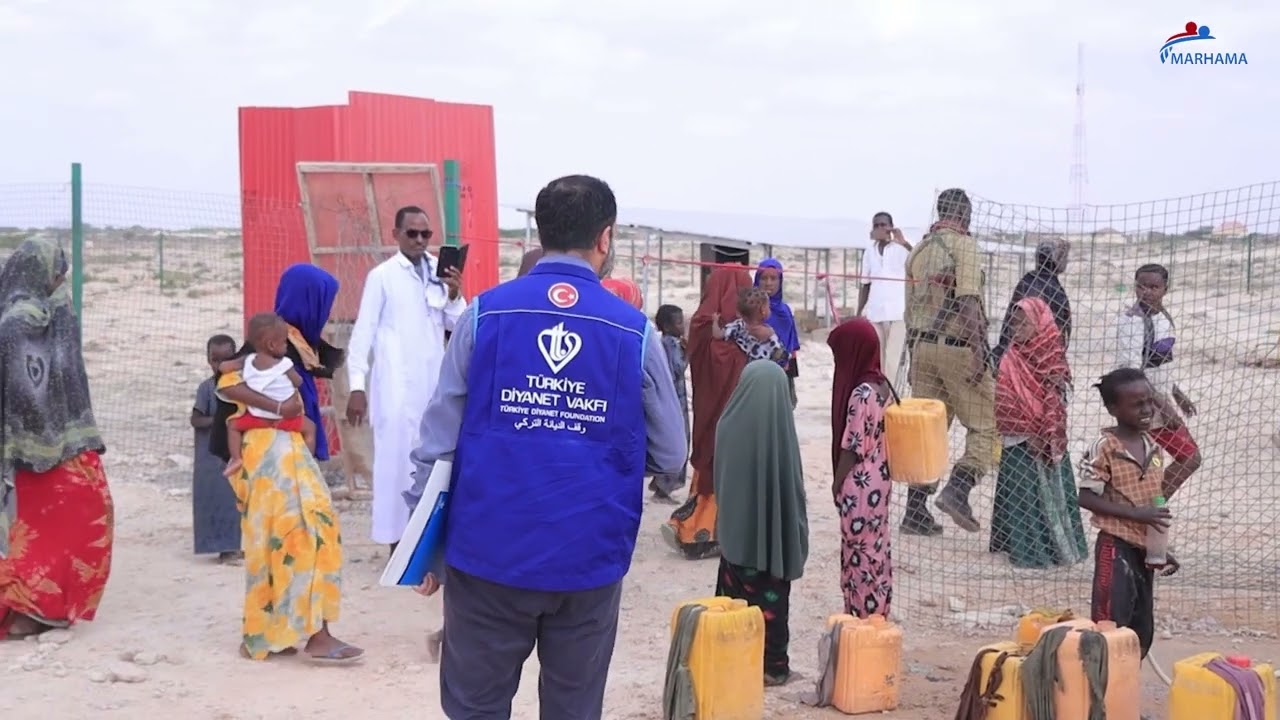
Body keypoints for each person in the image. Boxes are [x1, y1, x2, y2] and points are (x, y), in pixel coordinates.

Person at [406, 174, 685, 719]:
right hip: (588, 559)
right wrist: (604, 458)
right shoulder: (635, 333)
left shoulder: (483, 316)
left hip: (486, 554)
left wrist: (426, 548)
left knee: (474, 708)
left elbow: (437, 444)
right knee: (572, 709)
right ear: (605, 237)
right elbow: (671, 455)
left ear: (541, 229)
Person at [213, 264, 363, 664]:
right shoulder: (272, 347)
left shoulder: (297, 344)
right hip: (274, 462)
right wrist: (278, 411)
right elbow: (226, 389)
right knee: (309, 535)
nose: (327, 314)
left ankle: (270, 633)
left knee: (280, 542)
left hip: (282, 457)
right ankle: (315, 634)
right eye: (323, 305)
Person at [0, 237, 112, 640]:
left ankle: (43, 607)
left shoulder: (42, 316)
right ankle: (31, 609)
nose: (62, 279)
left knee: (74, 519)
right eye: (57, 271)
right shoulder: (19, 321)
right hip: (34, 450)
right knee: (53, 525)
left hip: (60, 443)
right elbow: (24, 386)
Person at [345, 205, 466, 553]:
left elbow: (457, 326)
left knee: (434, 457)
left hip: (432, 382)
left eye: (425, 234)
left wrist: (455, 293)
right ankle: (396, 540)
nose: (418, 240)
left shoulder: (438, 272)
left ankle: (428, 536)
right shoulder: (382, 276)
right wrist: (356, 386)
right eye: (411, 233)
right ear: (395, 235)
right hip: (395, 385)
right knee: (395, 460)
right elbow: (362, 334)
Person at [901, 188, 997, 535]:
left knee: (931, 431)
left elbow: (910, 310)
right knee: (986, 425)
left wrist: (914, 358)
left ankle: (915, 511)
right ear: (966, 215)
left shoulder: (917, 252)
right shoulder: (964, 245)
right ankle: (959, 488)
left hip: (922, 347)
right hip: (957, 345)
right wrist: (979, 351)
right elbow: (969, 301)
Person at [714, 361, 808, 686]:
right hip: (771, 545)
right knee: (771, 601)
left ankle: (733, 661)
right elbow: (791, 492)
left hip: (735, 537)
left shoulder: (727, 424)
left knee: (733, 600)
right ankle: (774, 667)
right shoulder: (781, 432)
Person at [1077, 368, 1181, 659]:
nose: (1147, 409)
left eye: (1150, 401)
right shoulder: (1104, 448)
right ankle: (1098, 698)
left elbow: (1149, 502)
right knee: (1110, 625)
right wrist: (1138, 517)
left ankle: (1124, 692)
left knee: (1141, 631)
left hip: (1142, 550)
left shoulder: (1153, 447)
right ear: (1113, 409)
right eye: (1137, 404)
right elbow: (1085, 497)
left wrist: (1159, 549)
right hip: (1115, 546)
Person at [988, 298, 1088, 569]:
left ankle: (1058, 548)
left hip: (1049, 439)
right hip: (1020, 439)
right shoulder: (1010, 356)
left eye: (1024, 322)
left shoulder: (1053, 355)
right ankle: (1026, 550)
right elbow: (1005, 399)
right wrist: (1026, 431)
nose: (1016, 327)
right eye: (1013, 321)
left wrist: (1047, 430)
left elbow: (1059, 397)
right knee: (1021, 491)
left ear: (1041, 324)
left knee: (1054, 488)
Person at [662, 267, 753, 560]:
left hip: (707, 414)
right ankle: (708, 534)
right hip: (735, 420)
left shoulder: (703, 323)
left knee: (708, 472)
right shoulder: (747, 330)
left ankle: (694, 528)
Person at [1114, 263, 1201, 498]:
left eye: (1154, 286)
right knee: (1189, 457)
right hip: (1142, 405)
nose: (1147, 292)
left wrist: (1177, 394)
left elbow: (1158, 364)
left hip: (1159, 399)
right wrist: (1164, 407)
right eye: (1141, 286)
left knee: (1152, 465)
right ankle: (1151, 508)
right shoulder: (1133, 322)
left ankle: (1145, 512)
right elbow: (1132, 372)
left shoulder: (1163, 317)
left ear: (1165, 289)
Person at [827, 318, 894, 619]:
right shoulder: (882, 383)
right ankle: (878, 609)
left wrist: (836, 483)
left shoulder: (860, 394)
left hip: (860, 484)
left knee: (858, 553)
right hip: (880, 478)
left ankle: (862, 616)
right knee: (875, 547)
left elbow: (852, 448)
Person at [223, 312, 316, 477]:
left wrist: (230, 364)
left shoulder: (247, 361)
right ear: (272, 345)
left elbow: (225, 367)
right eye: (284, 342)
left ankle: (236, 458)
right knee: (310, 428)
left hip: (256, 417)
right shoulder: (285, 364)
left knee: (233, 426)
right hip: (285, 419)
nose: (287, 346)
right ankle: (306, 465)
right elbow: (298, 382)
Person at [191, 333, 243, 564]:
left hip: (240, 454)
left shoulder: (244, 386)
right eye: (215, 360)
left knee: (240, 499)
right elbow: (196, 420)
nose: (220, 365)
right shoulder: (206, 389)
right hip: (213, 456)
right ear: (208, 360)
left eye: (226, 359)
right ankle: (226, 549)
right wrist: (222, 420)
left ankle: (239, 545)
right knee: (217, 499)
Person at [856, 212, 912, 385]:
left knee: (892, 360)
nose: (880, 228)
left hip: (898, 313)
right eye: (876, 225)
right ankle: (881, 398)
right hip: (876, 312)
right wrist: (859, 312)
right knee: (878, 358)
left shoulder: (902, 248)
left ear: (891, 226)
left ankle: (890, 398)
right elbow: (865, 284)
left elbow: (918, 261)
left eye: (883, 225)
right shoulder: (869, 251)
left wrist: (904, 242)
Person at [650, 304, 689, 502]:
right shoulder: (673, 344)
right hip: (677, 398)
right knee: (680, 439)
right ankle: (664, 488)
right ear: (667, 325)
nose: (683, 326)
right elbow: (678, 369)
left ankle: (660, 483)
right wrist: (688, 353)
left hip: (667, 395)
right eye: (679, 322)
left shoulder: (661, 341)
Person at [753, 258, 801, 406]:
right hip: (758, 374)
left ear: (780, 281)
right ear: (757, 280)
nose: (769, 283)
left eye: (773, 278)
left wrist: (790, 377)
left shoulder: (785, 310)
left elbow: (791, 346)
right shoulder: (751, 309)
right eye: (764, 278)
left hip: (783, 372)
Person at [712, 287, 790, 366]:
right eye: (768, 307)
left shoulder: (738, 325)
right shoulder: (769, 335)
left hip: (744, 373)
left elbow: (717, 334)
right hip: (761, 373)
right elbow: (782, 359)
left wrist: (715, 321)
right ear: (763, 311)